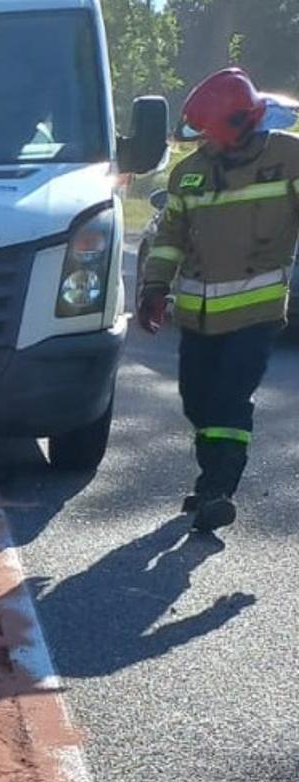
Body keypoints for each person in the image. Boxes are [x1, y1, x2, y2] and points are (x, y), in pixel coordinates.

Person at [138, 68, 299, 532]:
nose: (205, 143)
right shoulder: (188, 174)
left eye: (211, 135)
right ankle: (211, 478)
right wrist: (154, 289)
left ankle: (218, 490)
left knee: (230, 399)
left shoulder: (289, 158)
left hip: (256, 312)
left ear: (241, 123)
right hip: (198, 314)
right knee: (197, 400)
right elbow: (169, 237)